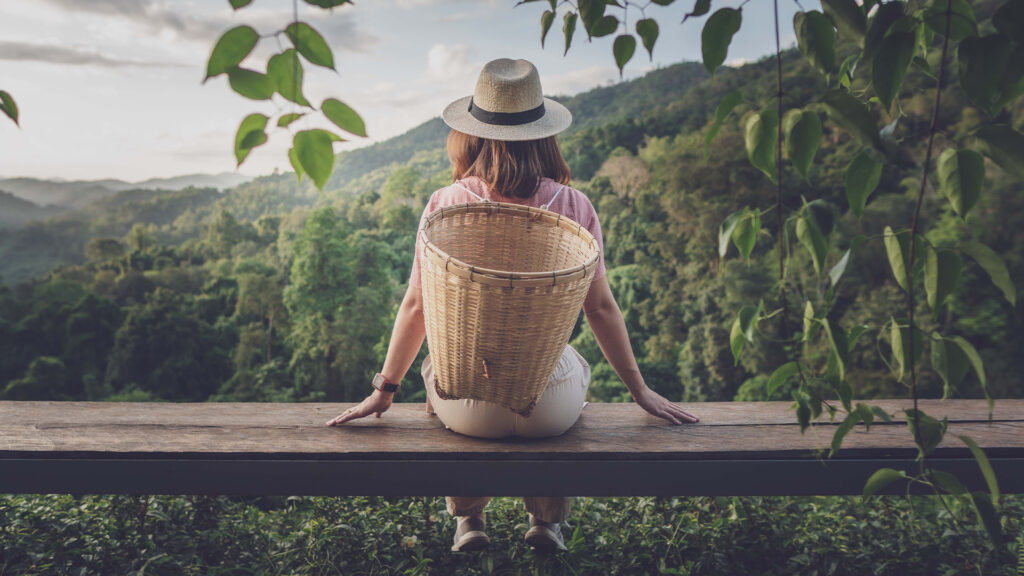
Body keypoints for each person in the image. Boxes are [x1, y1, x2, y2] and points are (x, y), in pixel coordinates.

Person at [326, 58, 699, 553]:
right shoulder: (575, 207)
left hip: (468, 408)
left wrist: (384, 390)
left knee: (443, 363)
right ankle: (545, 523)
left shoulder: (445, 204)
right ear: (545, 135)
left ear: (471, 135)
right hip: (546, 409)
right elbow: (601, 309)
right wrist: (641, 391)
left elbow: (416, 306)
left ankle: (469, 520)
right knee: (571, 364)